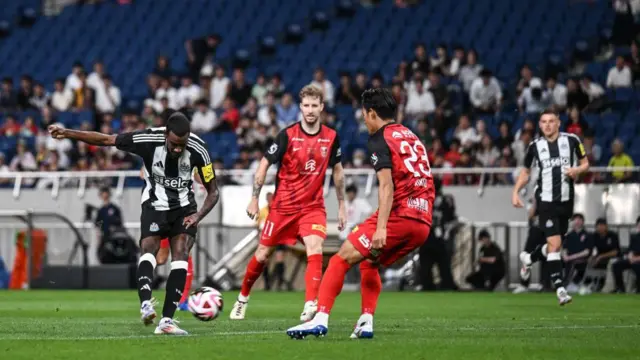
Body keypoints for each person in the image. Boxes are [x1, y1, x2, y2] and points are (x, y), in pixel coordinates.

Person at [48, 112, 220, 335]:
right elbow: (106, 139)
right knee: (149, 249)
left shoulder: (199, 149)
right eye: (175, 144)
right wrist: (68, 133)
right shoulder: (147, 140)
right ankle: (146, 304)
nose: (179, 149)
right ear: (166, 134)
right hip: (154, 204)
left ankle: (167, 321)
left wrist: (198, 216)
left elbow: (213, 191)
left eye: (183, 144)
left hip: (184, 208)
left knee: (181, 254)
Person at [286, 88, 435, 339]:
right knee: (369, 263)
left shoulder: (379, 138)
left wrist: (381, 227)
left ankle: (319, 319)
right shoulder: (411, 135)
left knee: (339, 259)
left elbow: (386, 186)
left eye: (364, 115)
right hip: (423, 221)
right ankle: (366, 321)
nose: (364, 120)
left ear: (372, 112)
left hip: (401, 214)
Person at [230, 85, 347, 321]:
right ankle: (242, 299)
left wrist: (342, 204)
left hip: (312, 207)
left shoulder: (332, 137)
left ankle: (310, 304)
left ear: (322, 107)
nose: (311, 110)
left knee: (315, 249)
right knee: (262, 254)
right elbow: (264, 164)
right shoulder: (287, 135)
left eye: (315, 105)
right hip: (283, 208)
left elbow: (338, 172)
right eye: (306, 105)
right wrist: (254, 198)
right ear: (300, 107)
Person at [512, 109, 589, 306]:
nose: (547, 125)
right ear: (540, 125)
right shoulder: (535, 146)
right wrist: (515, 192)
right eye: (543, 121)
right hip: (545, 202)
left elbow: (585, 163)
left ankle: (529, 258)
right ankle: (561, 289)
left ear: (558, 123)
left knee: (554, 246)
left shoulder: (572, 140)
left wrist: (576, 170)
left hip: (566, 202)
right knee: (554, 245)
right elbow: (526, 172)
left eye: (551, 121)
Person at [155, 171, 203, 311]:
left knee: (184, 254)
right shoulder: (159, 156)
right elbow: (142, 173)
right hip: (162, 212)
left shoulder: (188, 159)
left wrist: (207, 178)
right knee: (161, 259)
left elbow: (200, 177)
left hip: (183, 211)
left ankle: (182, 300)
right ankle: (144, 271)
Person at [562, 213, 592, 291]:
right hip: (568, 260)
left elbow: (587, 252)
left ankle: (569, 284)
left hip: (581, 260)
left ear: (583, 221)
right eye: (575, 219)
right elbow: (564, 248)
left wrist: (571, 257)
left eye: (579, 219)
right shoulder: (569, 235)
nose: (577, 221)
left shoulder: (587, 235)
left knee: (574, 264)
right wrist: (565, 256)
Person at [589, 218, 620, 291]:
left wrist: (601, 256)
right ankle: (589, 284)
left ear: (606, 226)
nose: (600, 227)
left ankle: (609, 287)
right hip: (599, 259)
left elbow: (615, 252)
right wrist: (592, 257)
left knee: (611, 263)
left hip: (613, 258)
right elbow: (593, 250)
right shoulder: (594, 236)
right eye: (598, 226)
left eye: (602, 225)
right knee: (588, 261)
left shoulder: (612, 235)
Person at [612, 216, 640, 293]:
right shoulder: (635, 237)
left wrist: (635, 259)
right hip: (633, 260)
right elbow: (630, 250)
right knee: (616, 265)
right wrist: (630, 257)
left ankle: (638, 289)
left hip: (637, 261)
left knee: (637, 266)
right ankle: (620, 288)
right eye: (639, 224)